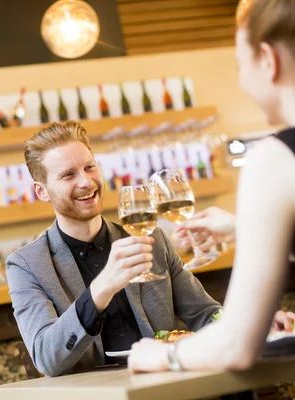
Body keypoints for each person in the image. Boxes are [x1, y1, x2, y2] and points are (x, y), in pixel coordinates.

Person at [128, 0, 295, 373]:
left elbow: (236, 345)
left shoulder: (275, 158)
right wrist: (242, 227)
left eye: (240, 64)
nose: (240, 79)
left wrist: (162, 355)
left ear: (268, 59)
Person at [6, 121, 222, 378]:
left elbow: (203, 313)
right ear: (42, 192)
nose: (86, 182)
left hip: (163, 388)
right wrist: (101, 289)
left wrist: (253, 324)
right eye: (68, 175)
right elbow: (47, 358)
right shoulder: (27, 265)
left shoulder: (152, 240)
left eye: (89, 167)